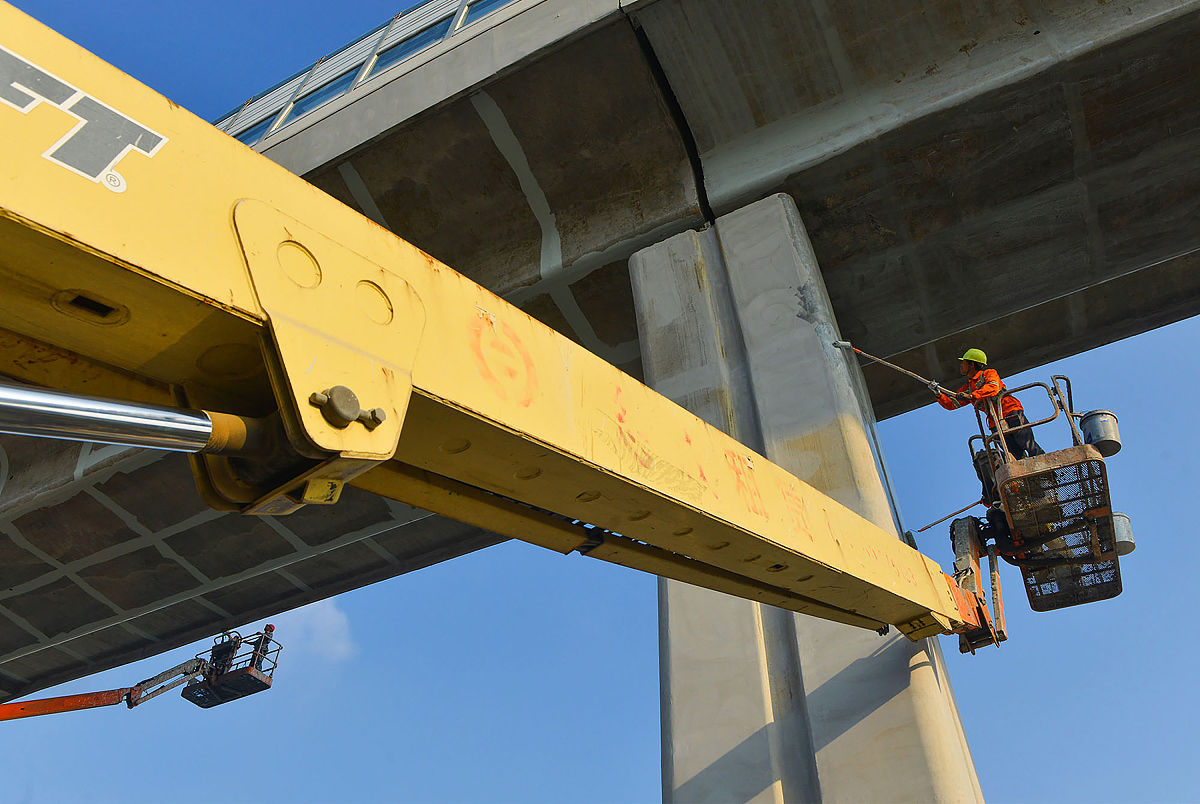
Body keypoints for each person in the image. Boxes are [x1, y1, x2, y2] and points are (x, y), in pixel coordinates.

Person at [933, 348, 1045, 503]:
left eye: (963, 363)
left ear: (972, 364)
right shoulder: (969, 386)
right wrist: (939, 394)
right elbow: (954, 403)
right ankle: (1030, 483)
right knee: (1013, 454)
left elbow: (993, 387)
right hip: (995, 423)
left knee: (1027, 444)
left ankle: (1045, 473)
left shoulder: (988, 374)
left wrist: (973, 396)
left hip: (1011, 412)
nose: (961, 366)